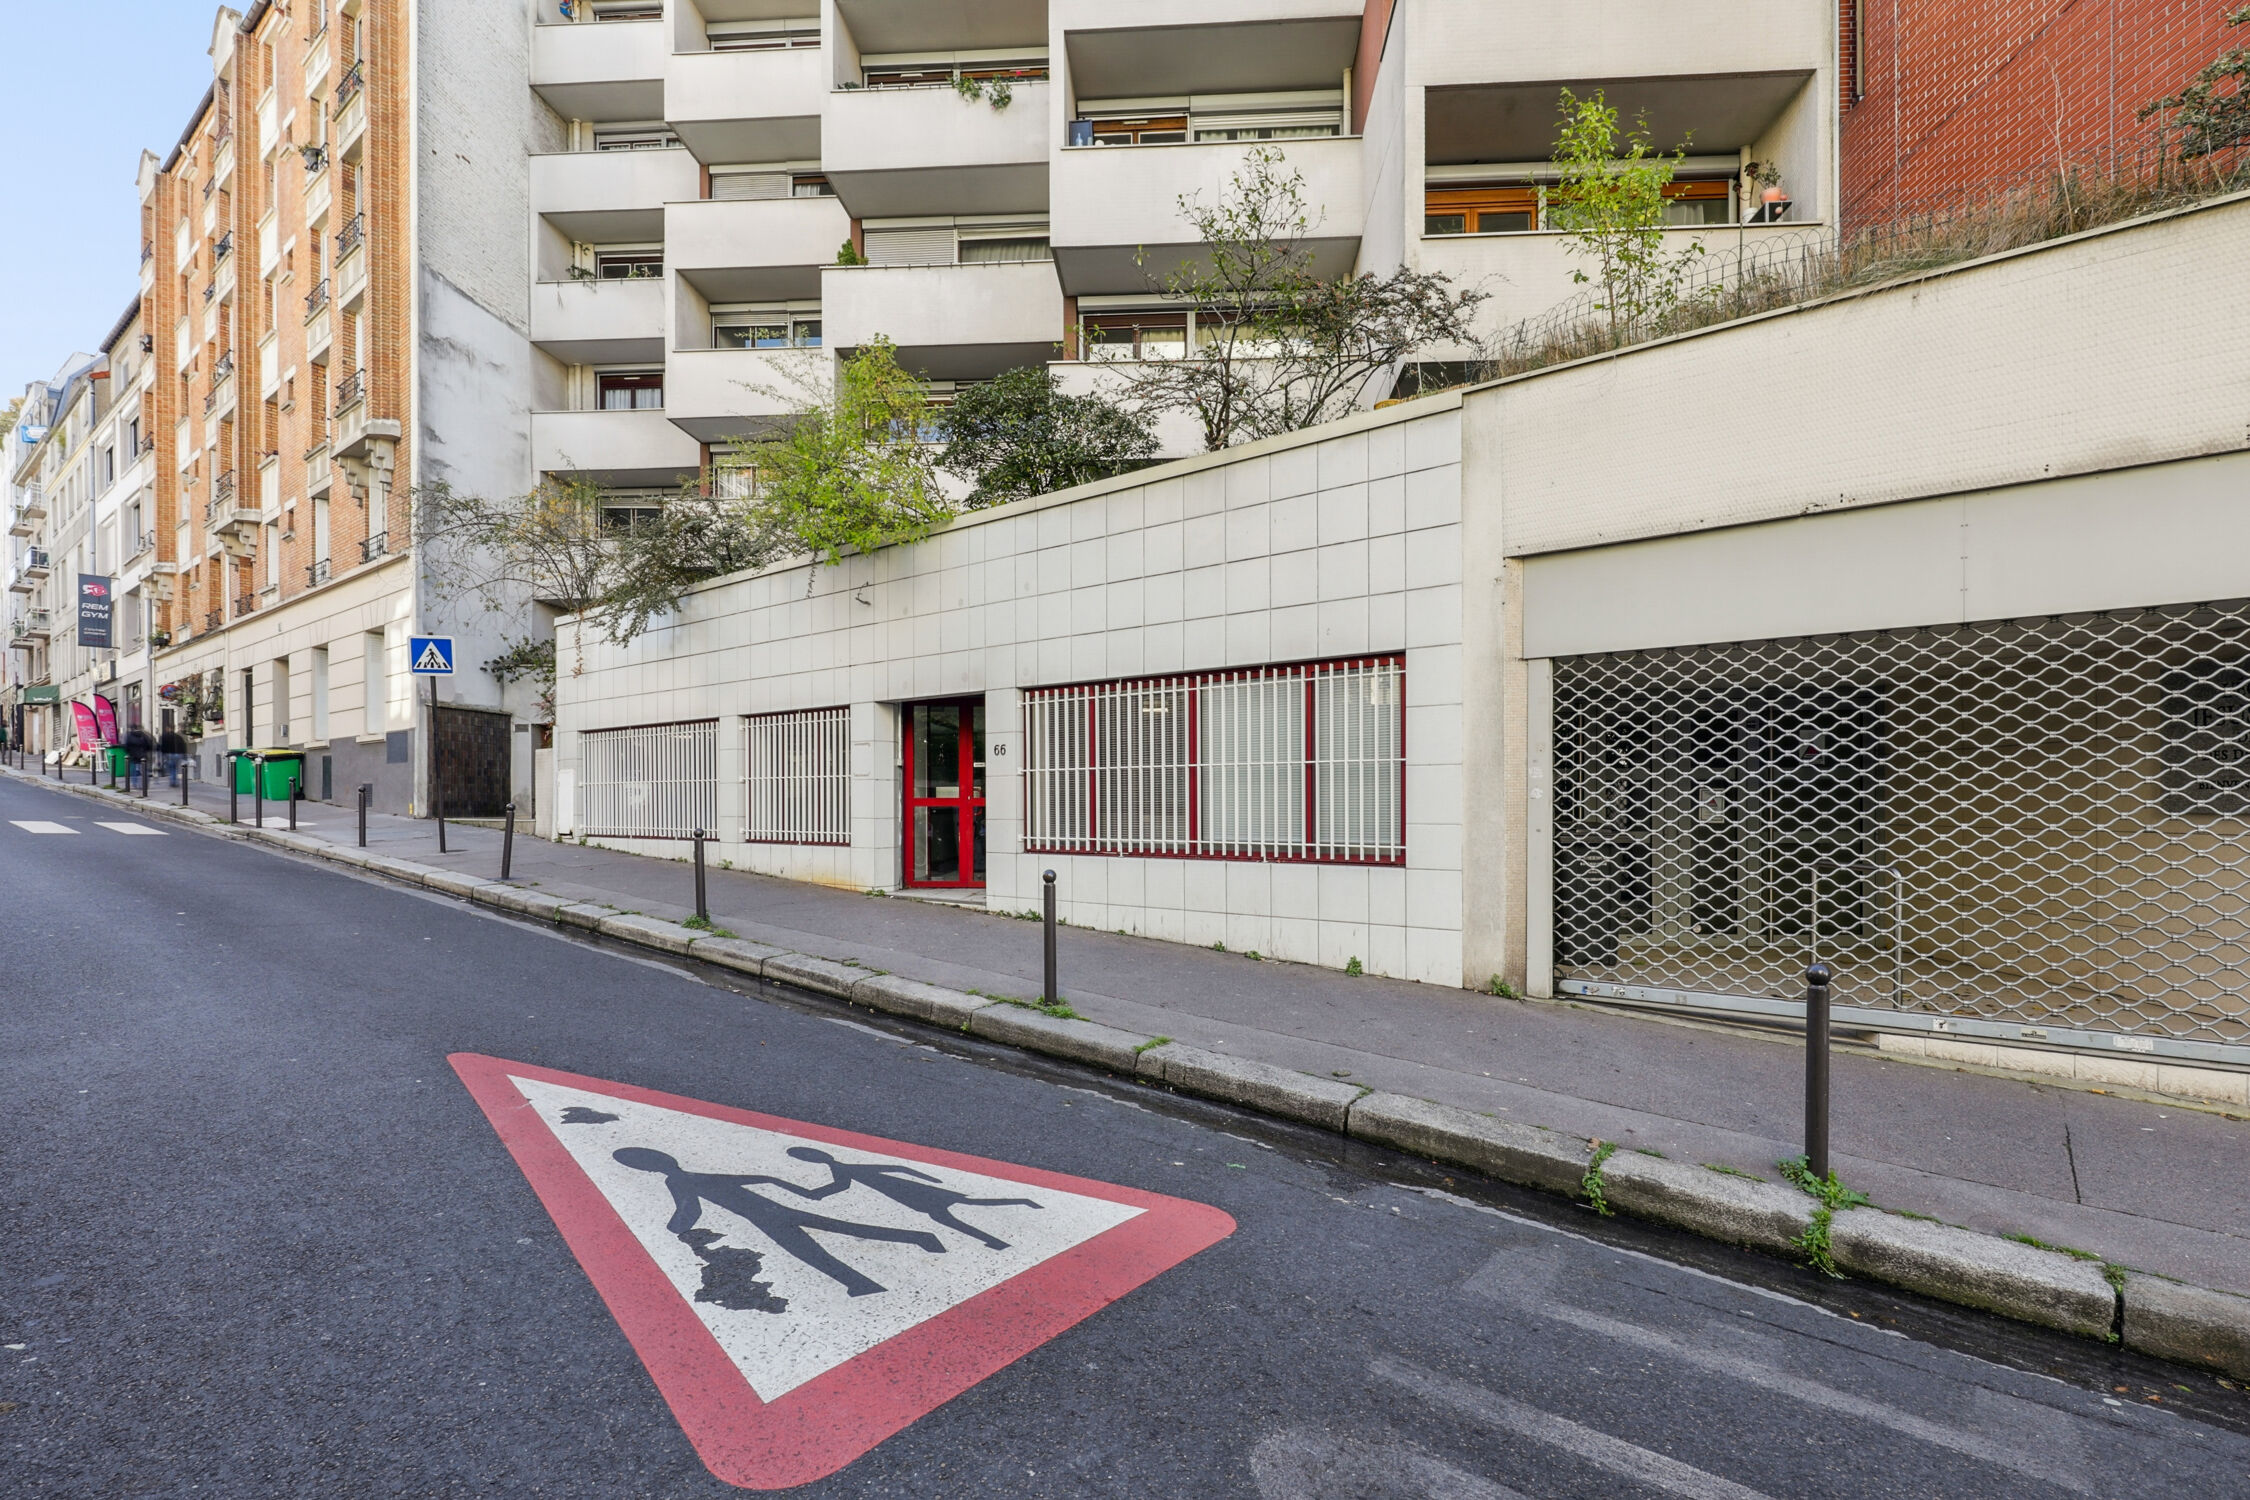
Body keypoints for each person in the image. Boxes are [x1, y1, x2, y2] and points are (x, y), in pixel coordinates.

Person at [612, 1147, 947, 1298]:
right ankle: (912, 1241)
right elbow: (761, 1177)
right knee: (837, 1232)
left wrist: (672, 1230)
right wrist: (797, 1189)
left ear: (650, 1166)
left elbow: (691, 1209)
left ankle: (865, 1278)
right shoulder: (691, 1175)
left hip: (765, 1215)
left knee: (808, 1249)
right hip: (767, 1211)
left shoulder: (681, 1181)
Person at [770, 1146, 1043, 1251]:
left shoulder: (845, 1170)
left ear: (817, 1158)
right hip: (911, 1192)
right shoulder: (845, 1169)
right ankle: (1004, 1226)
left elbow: (843, 1185)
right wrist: (928, 1180)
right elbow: (898, 1169)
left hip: (910, 1194)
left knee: (950, 1214)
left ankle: (1001, 1230)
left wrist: (813, 1195)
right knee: (956, 1210)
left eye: (807, 1156)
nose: (812, 1158)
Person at [123, 725, 154, 792]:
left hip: (134, 756)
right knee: (144, 771)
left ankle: (135, 784)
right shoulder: (144, 735)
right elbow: (149, 744)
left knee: (135, 771)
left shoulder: (129, 736)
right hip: (143, 755)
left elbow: (126, 746)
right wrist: (145, 751)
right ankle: (144, 785)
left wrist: (130, 753)